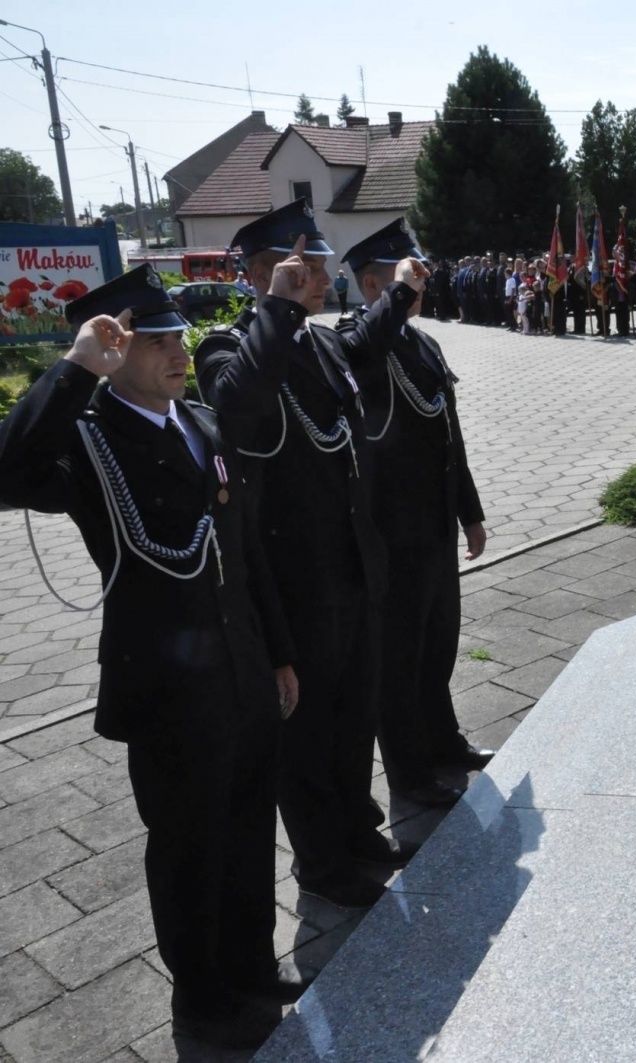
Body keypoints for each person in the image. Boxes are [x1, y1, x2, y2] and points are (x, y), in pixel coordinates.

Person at [0, 266, 300, 1049]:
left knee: (248, 828)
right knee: (189, 849)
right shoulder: (90, 440)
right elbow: (8, 470)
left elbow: (245, 551)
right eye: (156, 340)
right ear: (115, 349)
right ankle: (202, 1000)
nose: (178, 351)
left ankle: (251, 964)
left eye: (178, 336)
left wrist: (278, 653)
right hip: (168, 688)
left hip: (241, 669)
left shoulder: (198, 420)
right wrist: (74, 368)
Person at [194, 198, 423, 910]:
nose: (325, 278)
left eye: (322, 267)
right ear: (265, 273)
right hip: (295, 578)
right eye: (310, 267)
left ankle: (357, 828)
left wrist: (403, 293)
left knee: (355, 713)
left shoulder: (319, 342)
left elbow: (364, 347)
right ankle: (322, 862)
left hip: (351, 566)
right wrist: (277, 308)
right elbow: (236, 403)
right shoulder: (229, 346)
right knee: (309, 731)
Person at [339, 220, 493, 809]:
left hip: (433, 526)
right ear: (372, 284)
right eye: (406, 276)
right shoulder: (356, 337)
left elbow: (450, 436)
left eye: (420, 276)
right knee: (398, 658)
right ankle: (409, 771)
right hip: (389, 535)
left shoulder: (424, 343)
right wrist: (398, 295)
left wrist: (469, 513)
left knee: (437, 644)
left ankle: (443, 742)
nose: (420, 284)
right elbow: (361, 353)